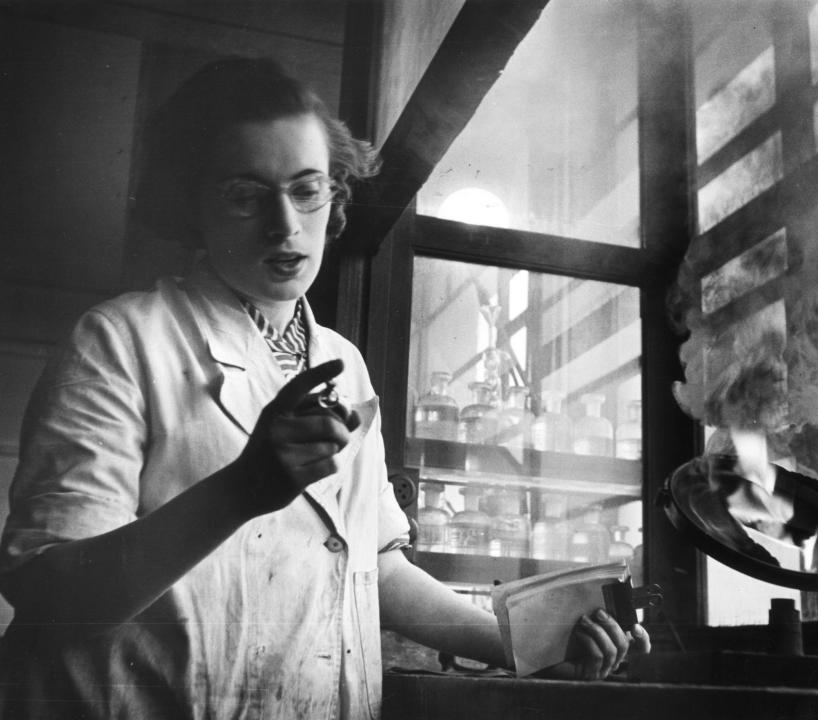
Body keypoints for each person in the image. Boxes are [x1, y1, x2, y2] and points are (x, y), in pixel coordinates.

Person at [0, 57, 648, 719]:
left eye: (307, 190)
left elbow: (378, 573)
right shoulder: (119, 341)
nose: (285, 226)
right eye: (244, 195)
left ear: (335, 195)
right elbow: (48, 589)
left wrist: (528, 646)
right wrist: (240, 490)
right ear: (189, 201)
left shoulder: (342, 361)